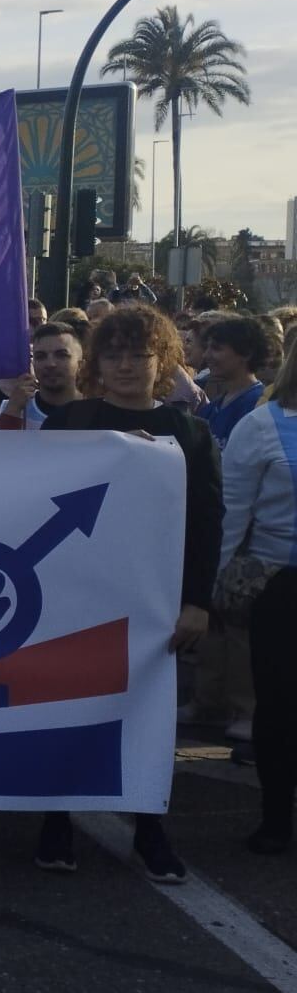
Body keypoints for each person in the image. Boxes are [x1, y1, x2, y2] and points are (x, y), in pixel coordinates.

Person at [36, 302, 220, 882]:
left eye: (138, 355)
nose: (124, 366)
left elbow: (206, 522)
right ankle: (55, 818)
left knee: (147, 712)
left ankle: (149, 827)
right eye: (112, 354)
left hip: (153, 598)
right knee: (61, 704)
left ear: (163, 360)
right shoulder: (72, 421)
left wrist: (198, 601)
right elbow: (26, 491)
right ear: (96, 360)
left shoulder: (189, 431)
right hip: (74, 590)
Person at [219, 336, 297, 854]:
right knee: (280, 706)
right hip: (280, 587)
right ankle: (276, 820)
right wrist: (205, 595)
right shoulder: (264, 424)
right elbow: (230, 517)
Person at [0, 321, 83, 429]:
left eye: (61, 355)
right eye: (41, 356)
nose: (50, 364)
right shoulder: (13, 408)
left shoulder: (96, 409)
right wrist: (13, 410)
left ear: (80, 364)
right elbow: (1, 445)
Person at [201, 316, 271, 449]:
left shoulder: (260, 405)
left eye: (216, 348)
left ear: (246, 353)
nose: (206, 355)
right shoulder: (209, 410)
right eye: (206, 348)